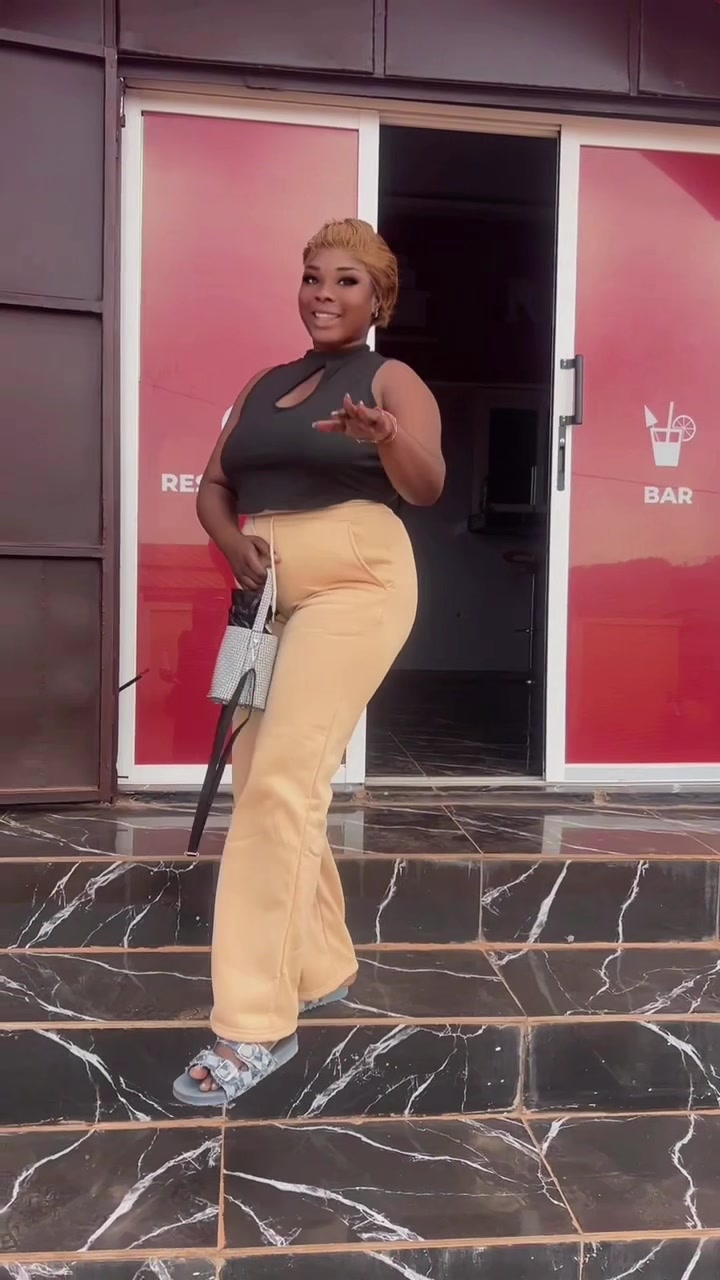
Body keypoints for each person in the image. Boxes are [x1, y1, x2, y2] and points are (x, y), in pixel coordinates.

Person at [173, 218, 444, 1107]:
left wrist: (385, 434)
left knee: (285, 783)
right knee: (262, 780)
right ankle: (323, 963)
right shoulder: (263, 384)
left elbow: (427, 483)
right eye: (313, 277)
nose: (325, 293)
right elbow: (215, 486)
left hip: (356, 581)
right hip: (267, 590)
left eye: (347, 281)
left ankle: (254, 1024)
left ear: (378, 298)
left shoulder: (390, 378)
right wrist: (234, 546)